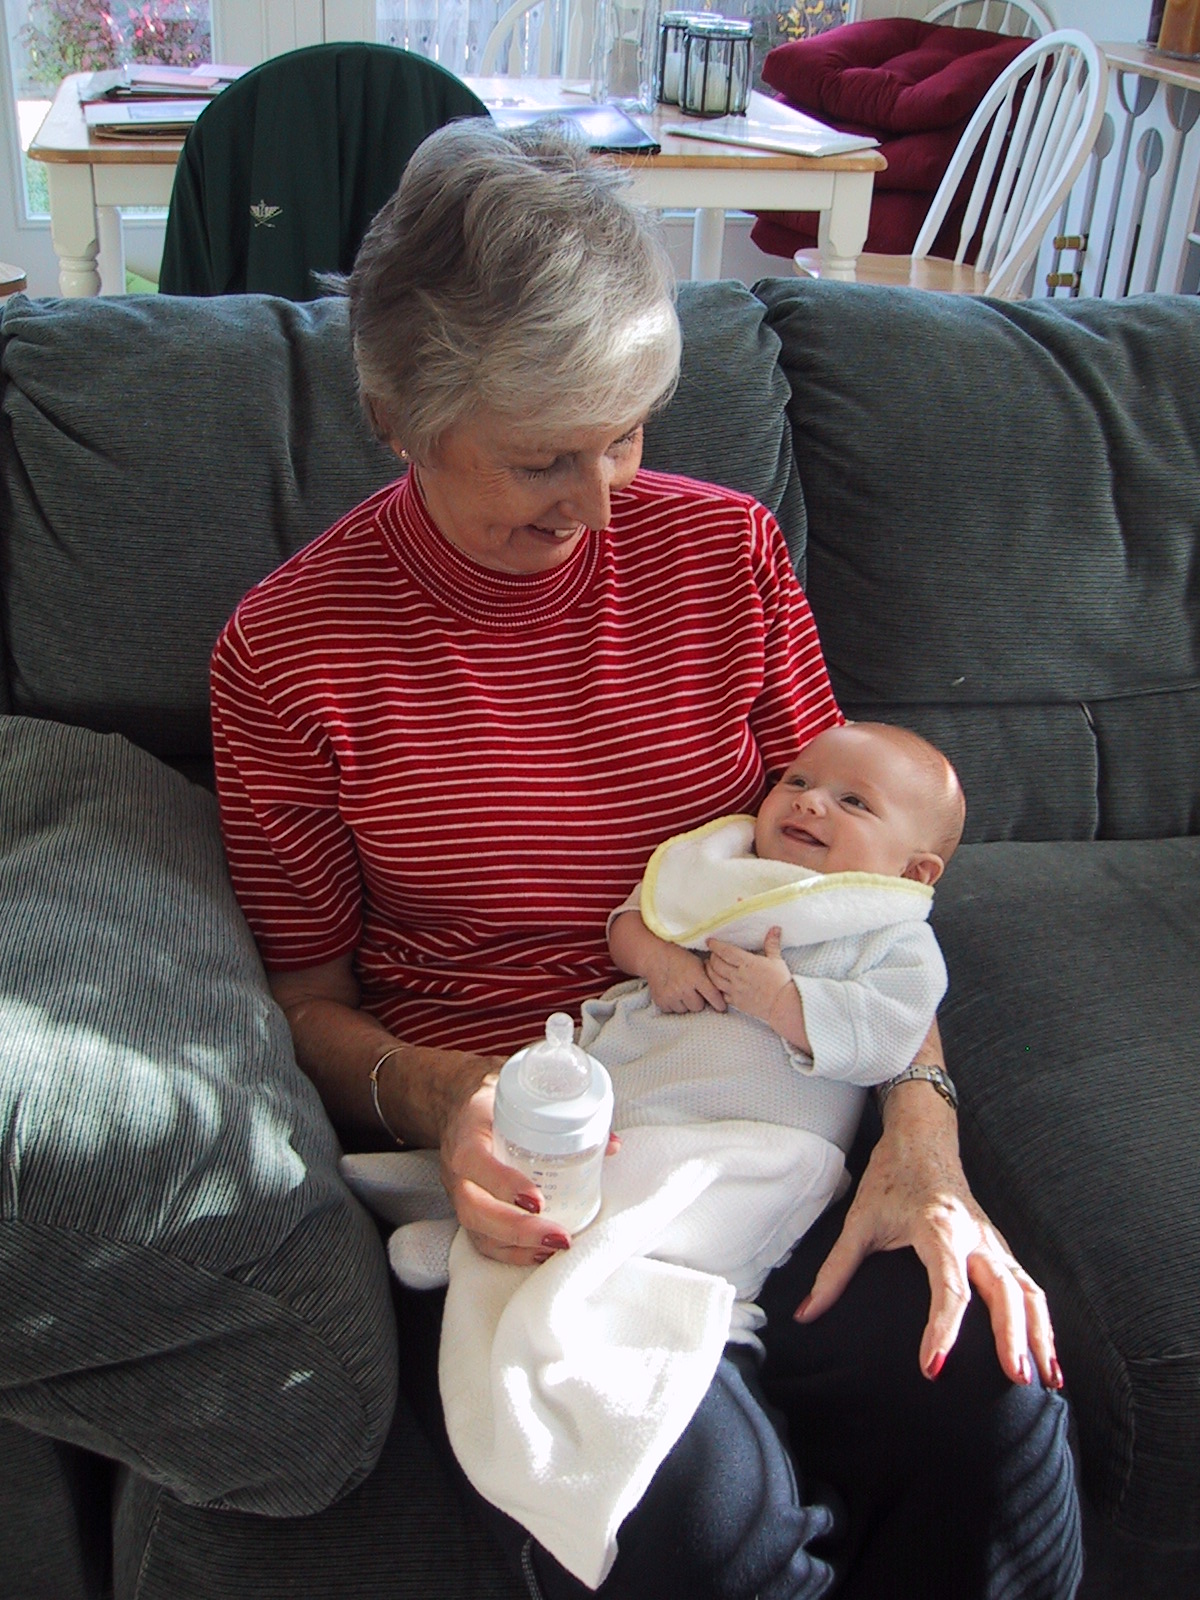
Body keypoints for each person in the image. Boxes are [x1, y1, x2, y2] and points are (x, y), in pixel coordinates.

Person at [209, 118, 1081, 1600]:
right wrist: (450, 1100)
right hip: (551, 1169)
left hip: (768, 1107)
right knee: (692, 1536)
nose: (605, 501)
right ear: (395, 416)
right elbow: (305, 1001)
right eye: (544, 457)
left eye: (627, 434)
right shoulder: (291, 653)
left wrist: (926, 1144)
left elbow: (864, 896)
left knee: (987, 1399)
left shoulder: (726, 555)